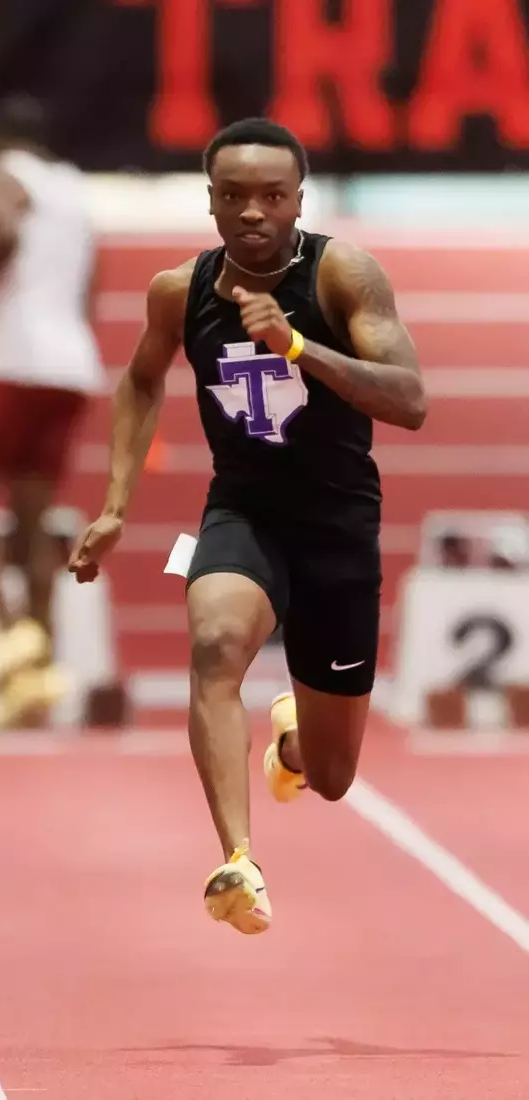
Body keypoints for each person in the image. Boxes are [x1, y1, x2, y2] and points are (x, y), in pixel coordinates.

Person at [67, 117, 426, 935]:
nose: (254, 212)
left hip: (337, 530)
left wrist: (298, 344)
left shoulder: (344, 275)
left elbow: (410, 400)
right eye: (234, 196)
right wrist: (117, 503)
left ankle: (291, 744)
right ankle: (238, 859)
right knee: (214, 642)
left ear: (300, 199)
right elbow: (138, 383)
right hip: (243, 512)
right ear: (211, 202)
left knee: (332, 777)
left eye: (272, 195)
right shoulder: (179, 290)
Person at [0, 95, 102, 726]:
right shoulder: (73, 190)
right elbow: (90, 283)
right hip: (71, 366)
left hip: (14, 359)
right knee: (35, 523)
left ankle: (11, 636)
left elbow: (4, 234)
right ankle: (41, 672)